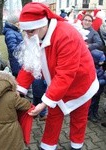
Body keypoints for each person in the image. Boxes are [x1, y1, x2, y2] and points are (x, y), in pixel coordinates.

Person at [15, 2, 99, 150]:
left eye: (30, 31)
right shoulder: (37, 34)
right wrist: (18, 89)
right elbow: (30, 64)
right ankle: (47, 146)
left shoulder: (65, 35)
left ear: (42, 25)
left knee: (78, 119)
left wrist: (44, 102)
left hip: (81, 84)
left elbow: (65, 74)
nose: (27, 36)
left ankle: (76, 146)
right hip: (58, 85)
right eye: (25, 31)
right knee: (53, 117)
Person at [88, 49, 106, 122]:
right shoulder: (93, 69)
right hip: (94, 91)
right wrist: (104, 80)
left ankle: (95, 112)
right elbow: (95, 81)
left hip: (99, 91)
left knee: (97, 102)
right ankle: (90, 114)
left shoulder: (100, 67)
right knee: (92, 103)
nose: (102, 62)